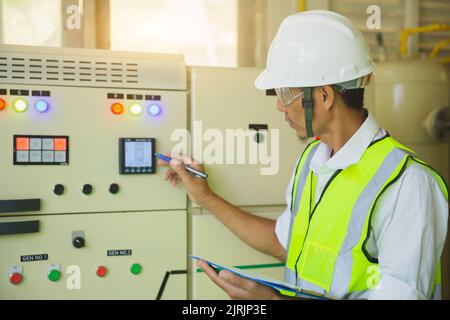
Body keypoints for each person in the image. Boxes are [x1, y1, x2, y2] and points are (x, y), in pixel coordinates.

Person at [159, 10, 448, 300]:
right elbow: (284, 243)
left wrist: (274, 301)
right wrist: (205, 197)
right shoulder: (312, 159)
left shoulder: (409, 183)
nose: (281, 107)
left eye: (286, 94)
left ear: (324, 95)